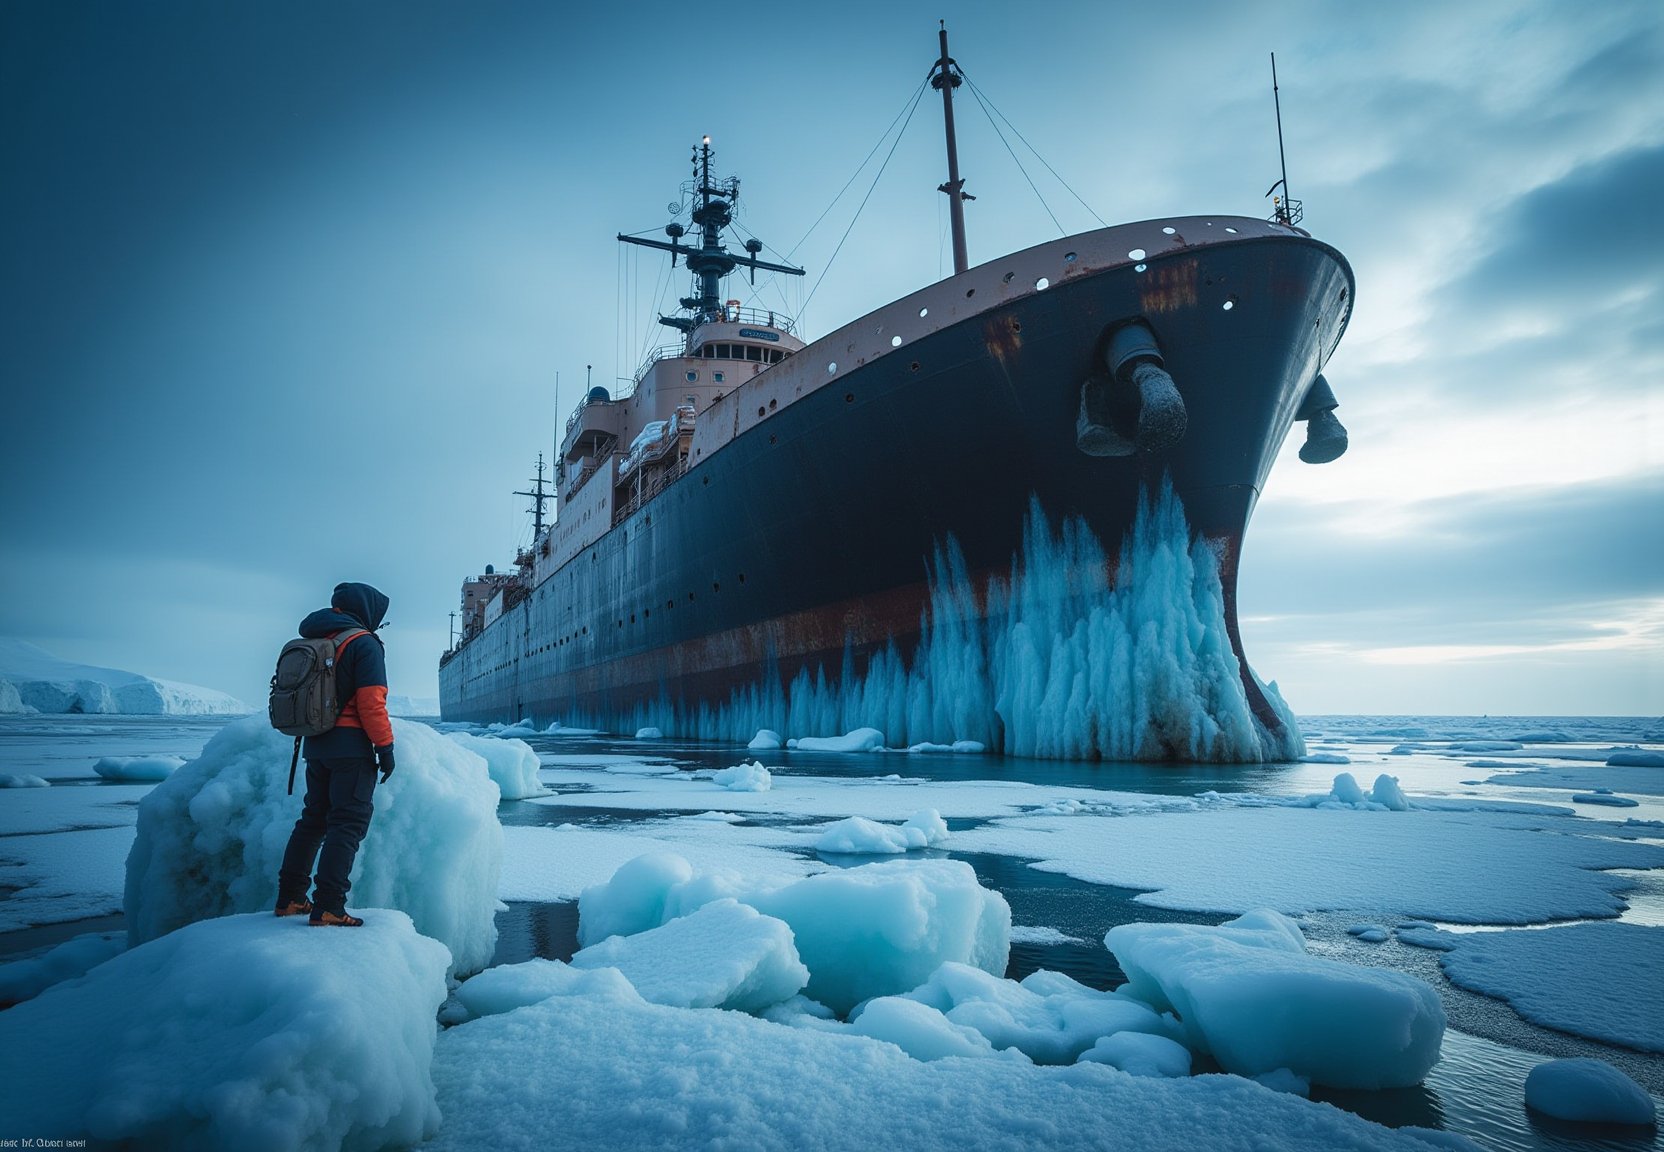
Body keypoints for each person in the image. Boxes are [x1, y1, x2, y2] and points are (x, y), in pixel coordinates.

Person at [274, 582, 396, 927]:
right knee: (348, 824)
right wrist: (385, 747)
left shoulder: (319, 638)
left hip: (315, 743)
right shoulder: (364, 644)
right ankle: (329, 905)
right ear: (367, 610)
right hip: (351, 748)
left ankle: (290, 898)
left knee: (313, 820)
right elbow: (371, 702)